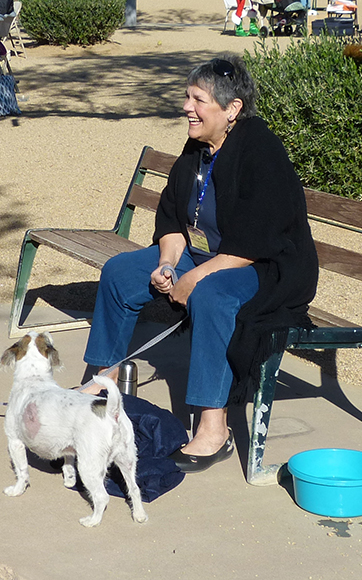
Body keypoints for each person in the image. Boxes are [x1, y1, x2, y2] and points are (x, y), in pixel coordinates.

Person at [81, 54, 318, 473]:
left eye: (197, 99)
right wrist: (170, 264)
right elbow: (171, 216)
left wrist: (195, 277)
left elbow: (257, 241)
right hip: (214, 255)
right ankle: (102, 386)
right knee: (120, 272)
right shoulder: (198, 148)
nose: (187, 107)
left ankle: (214, 427)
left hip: (267, 267)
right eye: (187, 97)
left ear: (232, 109)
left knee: (211, 296)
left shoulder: (260, 151)